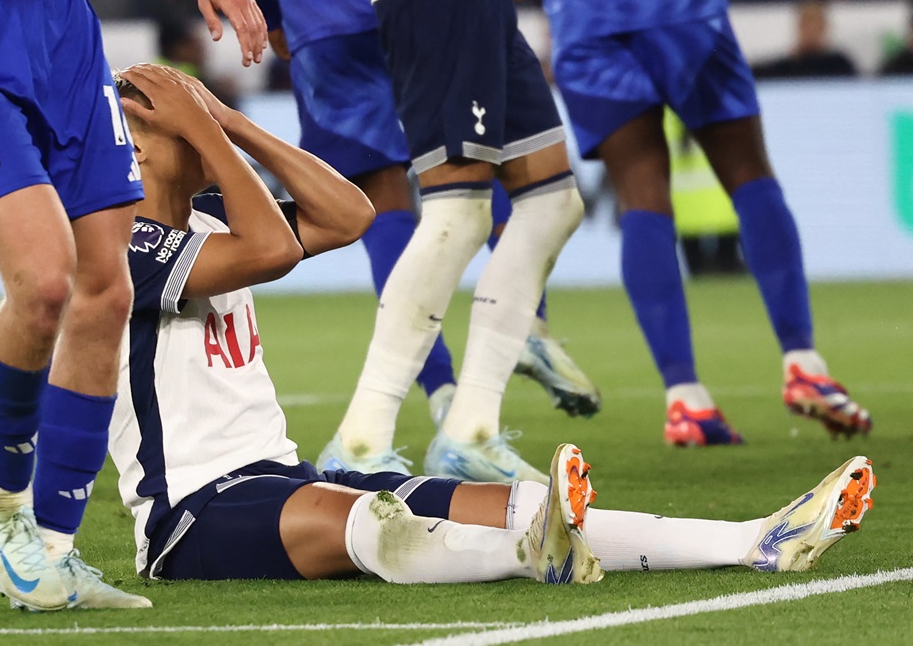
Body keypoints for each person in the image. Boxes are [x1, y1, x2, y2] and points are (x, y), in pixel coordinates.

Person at [108, 65, 876, 585]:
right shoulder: (121, 246)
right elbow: (275, 248)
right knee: (372, 520)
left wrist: (226, 118)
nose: (134, 153)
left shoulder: (213, 216)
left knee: (499, 496)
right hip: (193, 517)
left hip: (282, 476)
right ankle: (529, 553)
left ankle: (753, 539)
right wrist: (208, 127)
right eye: (145, 137)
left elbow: (348, 215)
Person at [0, 0, 270, 613]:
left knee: (105, 294)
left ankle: (52, 553)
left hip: (62, 22)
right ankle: (0, 504)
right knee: (46, 281)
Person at [242, 0, 601, 467]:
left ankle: (471, 428)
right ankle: (361, 441)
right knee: (458, 206)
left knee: (553, 200)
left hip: (438, 3)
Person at [541, 0, 873, 445]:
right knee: (747, 170)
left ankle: (685, 398)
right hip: (677, 3)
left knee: (640, 190)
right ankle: (803, 363)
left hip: (583, 18)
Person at [752, 0, 858, 79]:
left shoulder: (840, 64)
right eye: (807, 23)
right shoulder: (787, 67)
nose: (811, 30)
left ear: (825, 27)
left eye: (815, 24)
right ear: (799, 26)